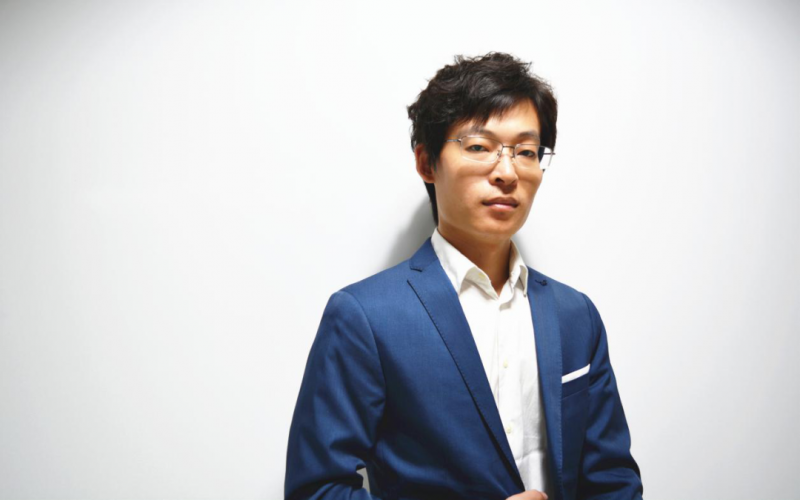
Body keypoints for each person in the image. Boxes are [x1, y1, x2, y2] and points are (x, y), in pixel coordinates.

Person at [284, 52, 643, 500]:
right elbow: (317, 490)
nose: (507, 172)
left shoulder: (576, 315)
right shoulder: (365, 316)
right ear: (427, 163)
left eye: (526, 152)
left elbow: (613, 481)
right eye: (479, 147)